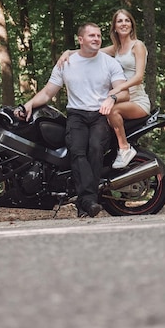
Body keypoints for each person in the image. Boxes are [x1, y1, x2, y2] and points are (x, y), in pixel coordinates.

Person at [15, 23, 128, 218]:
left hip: (100, 114)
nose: (96, 39)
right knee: (76, 151)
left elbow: (123, 91)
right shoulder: (66, 62)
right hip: (76, 115)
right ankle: (89, 201)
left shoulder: (109, 63)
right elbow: (49, 92)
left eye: (99, 36)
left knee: (95, 148)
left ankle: (86, 202)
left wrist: (113, 98)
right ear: (80, 40)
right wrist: (29, 104)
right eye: (91, 35)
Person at [58, 9, 151, 169]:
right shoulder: (117, 48)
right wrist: (68, 52)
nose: (124, 24)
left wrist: (117, 89)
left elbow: (139, 77)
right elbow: (90, 51)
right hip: (122, 98)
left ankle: (124, 149)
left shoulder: (138, 46)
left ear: (132, 24)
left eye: (127, 20)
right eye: (120, 21)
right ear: (114, 26)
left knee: (112, 110)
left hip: (136, 100)